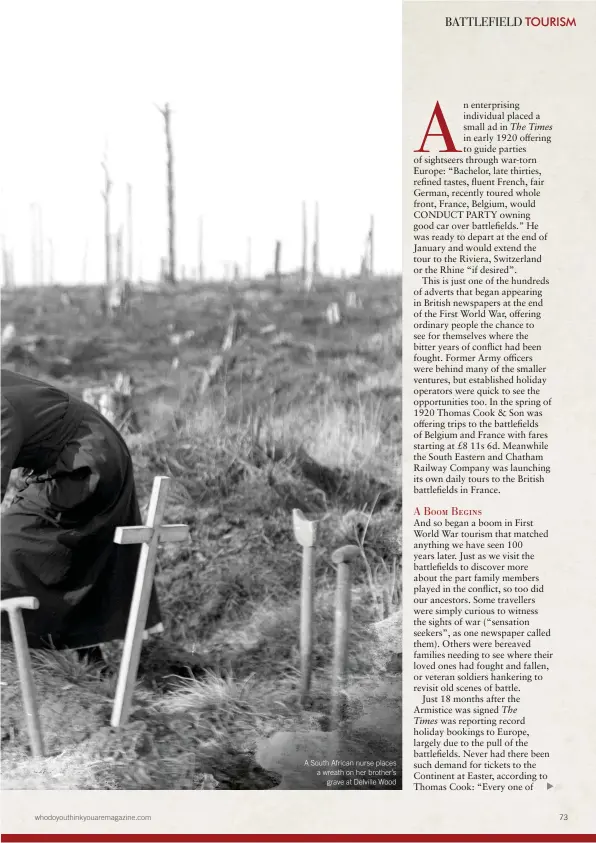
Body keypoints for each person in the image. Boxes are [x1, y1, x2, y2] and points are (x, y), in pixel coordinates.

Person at [1, 368, 163, 665]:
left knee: (12, 544)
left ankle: (29, 649)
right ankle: (85, 657)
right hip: (86, 451)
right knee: (60, 550)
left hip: (84, 462)